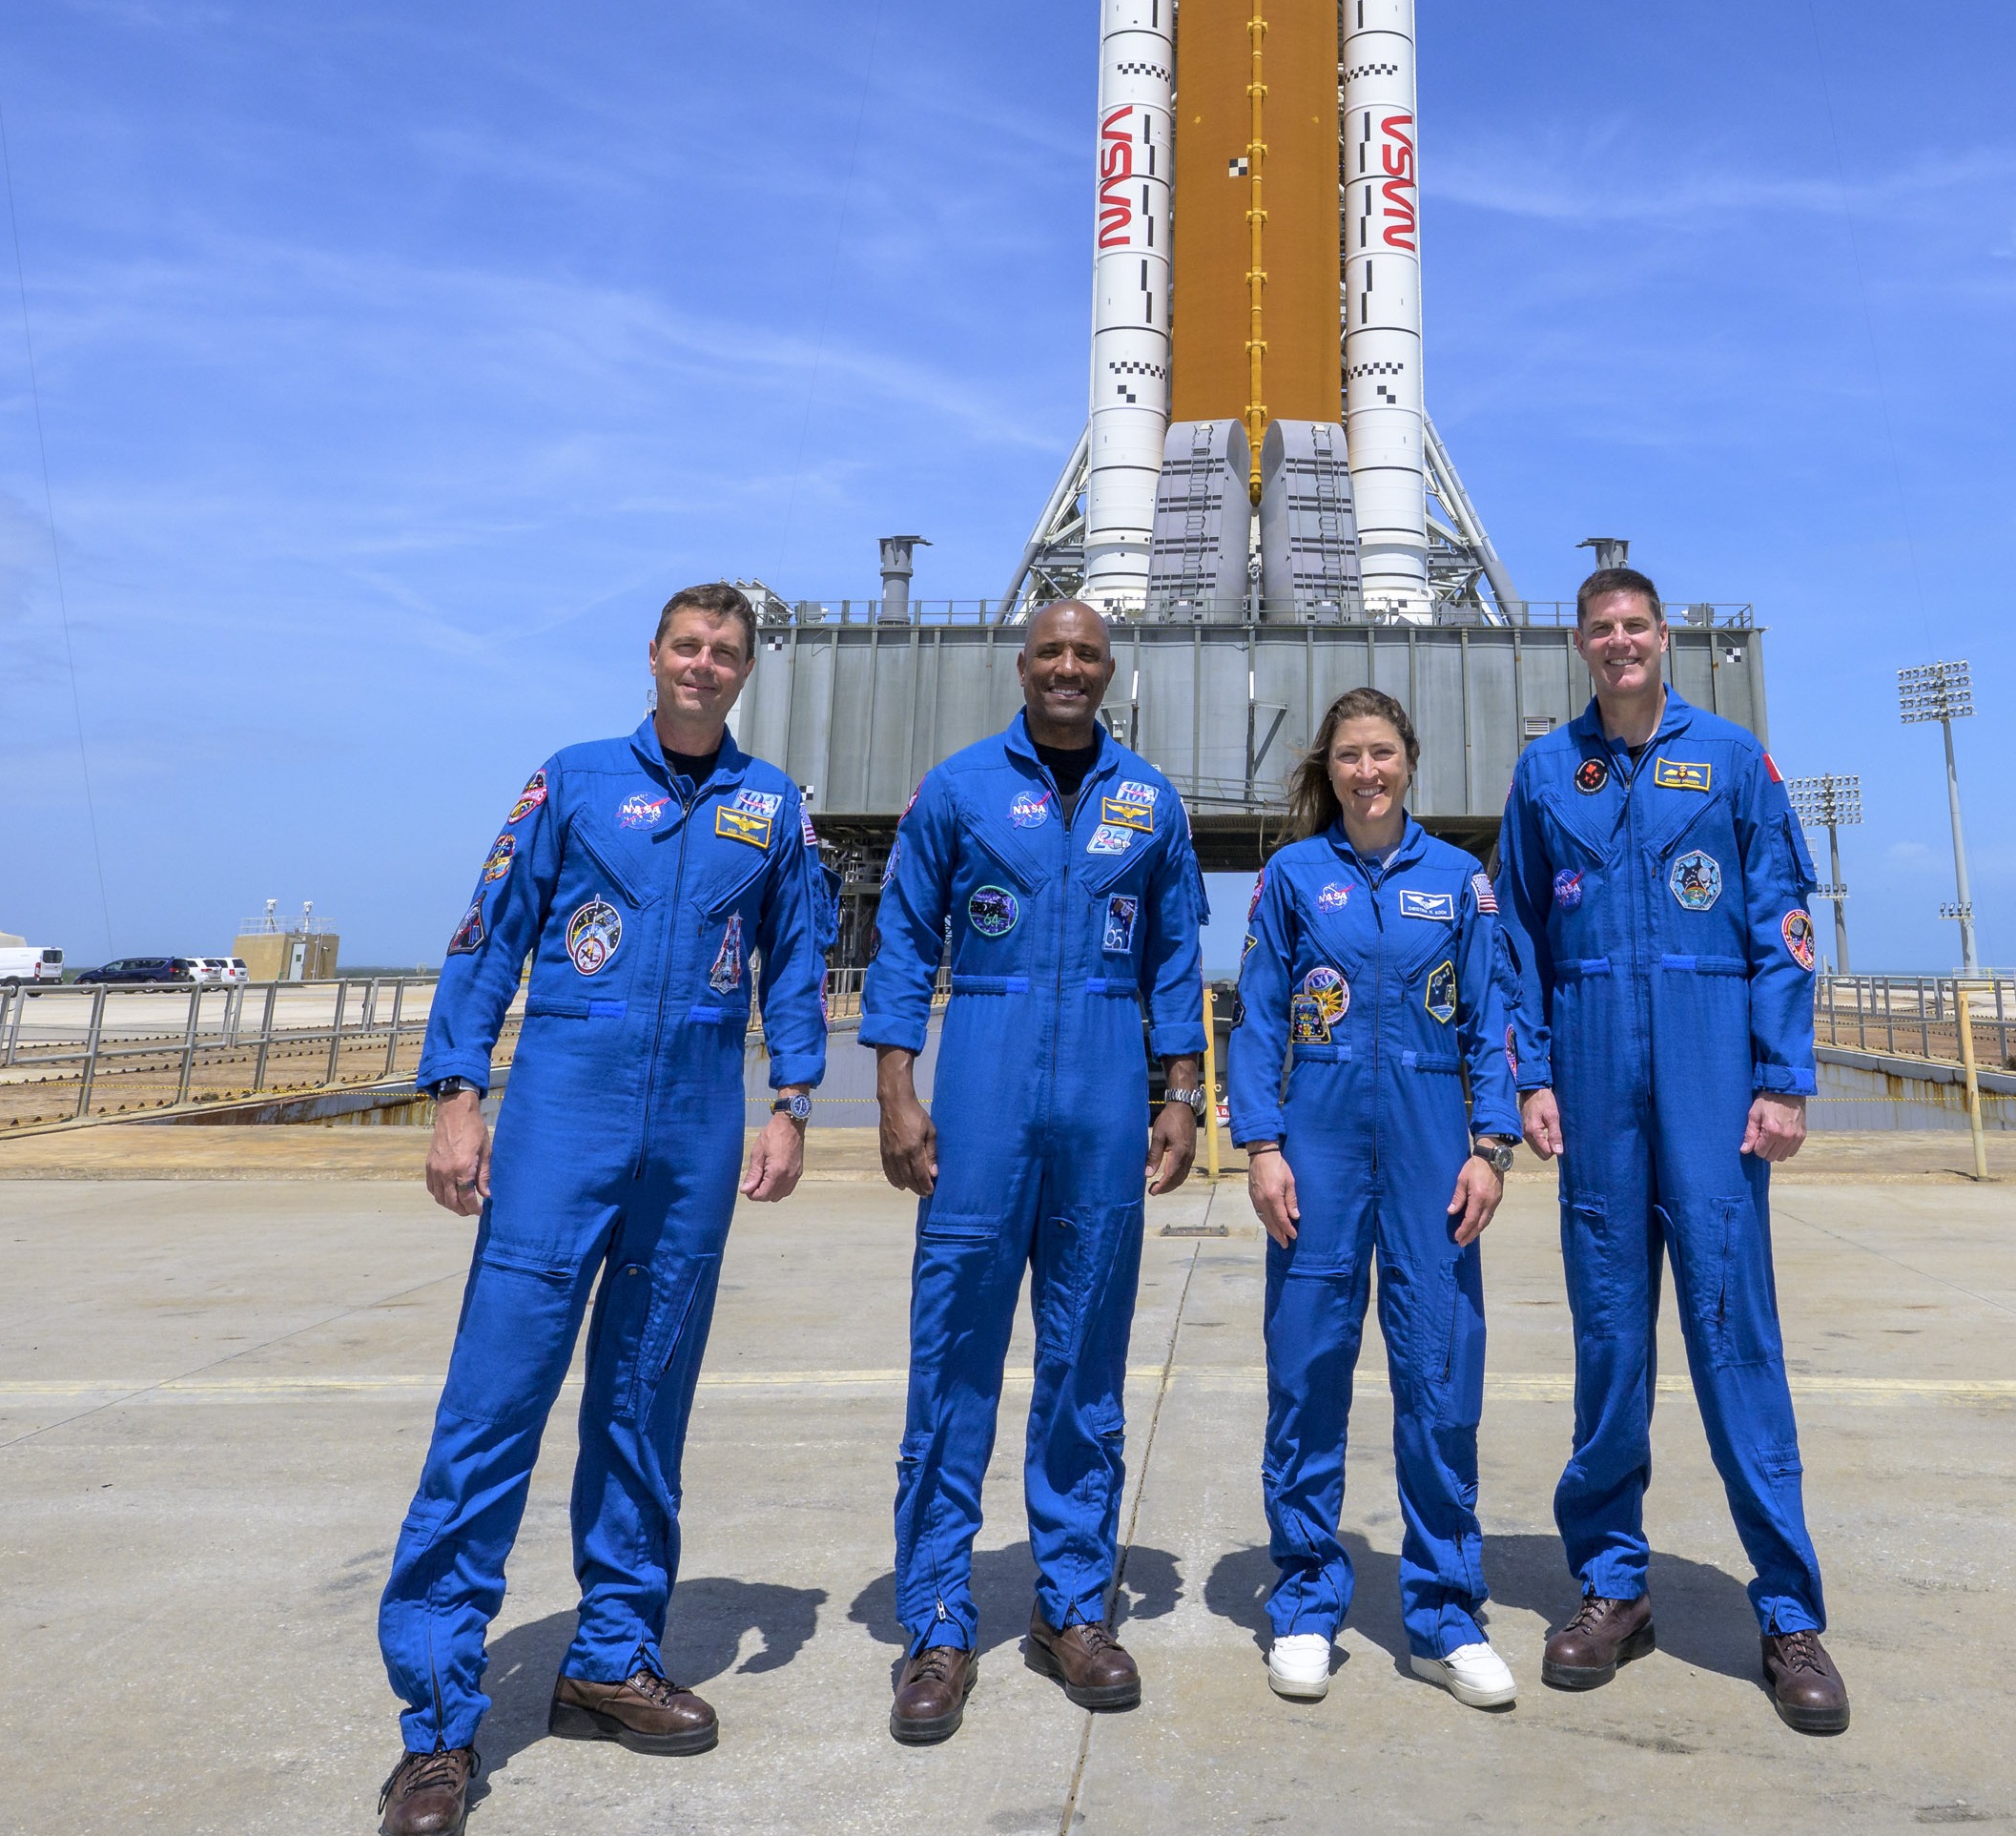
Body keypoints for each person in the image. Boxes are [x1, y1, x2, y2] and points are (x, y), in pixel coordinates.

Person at [372, 586, 832, 1836]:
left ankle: (611, 1655)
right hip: (562, 1118)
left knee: (646, 1404)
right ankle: (438, 1727)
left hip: (692, 1135)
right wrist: (459, 1095)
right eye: (689, 645)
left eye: (727, 653)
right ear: (654, 658)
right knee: (492, 1411)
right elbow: (488, 938)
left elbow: (797, 959)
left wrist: (791, 1099)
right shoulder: (571, 783)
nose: (705, 664)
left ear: (746, 672)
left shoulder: (771, 809)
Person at [1495, 562, 1849, 1736]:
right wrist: (1530, 1078)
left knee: (1733, 1342)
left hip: (1708, 1080)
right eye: (1600, 630)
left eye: (1636, 626)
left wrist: (1782, 1076)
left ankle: (1788, 1613)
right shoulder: (1547, 772)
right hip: (1594, 1085)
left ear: (1664, 638)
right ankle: (1611, 1588)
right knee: (1608, 1342)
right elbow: (1519, 945)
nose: (1619, 644)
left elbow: (1781, 922)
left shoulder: (1735, 761)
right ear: (1580, 647)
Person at [863, 598, 1208, 1745]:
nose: (1068, 668)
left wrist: (1179, 1094)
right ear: (1023, 666)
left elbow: (1172, 957)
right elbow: (906, 941)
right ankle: (937, 1624)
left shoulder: (1147, 801)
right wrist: (895, 1087)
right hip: (985, 1087)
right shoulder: (957, 790)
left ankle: (1070, 1607)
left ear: (1110, 673)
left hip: (1106, 1093)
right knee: (953, 1356)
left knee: (1083, 1363)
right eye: (1051, 651)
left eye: (1088, 655)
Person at [1231, 686, 1535, 1710]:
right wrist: (1261, 1147)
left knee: (1440, 1376)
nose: (1368, 771)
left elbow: (1491, 1016)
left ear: (1410, 760)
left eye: (1384, 753)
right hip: (1314, 1145)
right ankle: (1308, 1602)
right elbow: (1258, 1020)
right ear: (1329, 768)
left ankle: (1446, 1615)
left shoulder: (1458, 881)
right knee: (1308, 1372)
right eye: (1350, 756)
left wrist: (1489, 1146)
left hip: (1428, 1144)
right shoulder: (1290, 879)